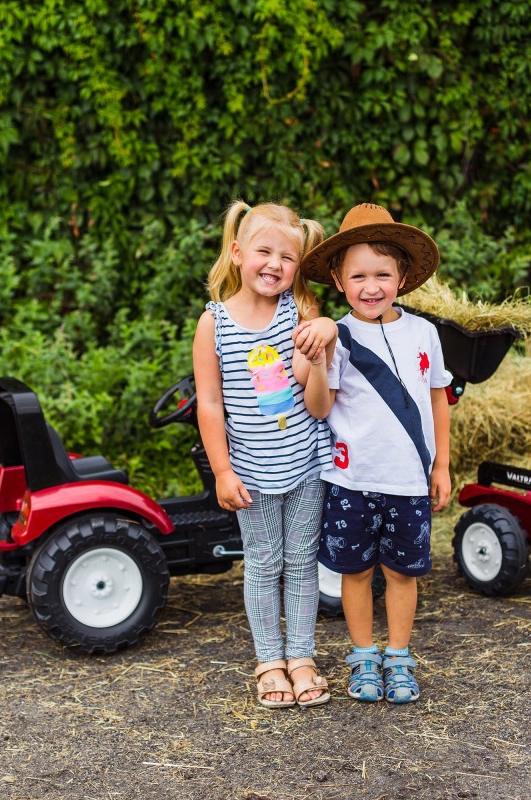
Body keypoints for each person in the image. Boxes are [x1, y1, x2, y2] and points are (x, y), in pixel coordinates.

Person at [297, 202, 452, 704]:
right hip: (352, 480)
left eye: (382, 274)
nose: (371, 287)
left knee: (403, 574)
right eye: (358, 276)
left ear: (402, 278)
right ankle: (364, 657)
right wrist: (317, 360)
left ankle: (399, 657)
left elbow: (438, 400)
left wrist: (442, 465)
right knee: (356, 572)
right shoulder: (335, 337)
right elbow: (320, 408)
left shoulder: (425, 333)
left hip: (409, 481)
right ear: (338, 281)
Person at [192, 200, 337, 709]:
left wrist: (325, 338)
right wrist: (222, 469)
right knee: (262, 562)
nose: (275, 264)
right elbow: (210, 403)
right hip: (251, 471)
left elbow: (317, 402)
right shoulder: (213, 323)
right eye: (264, 252)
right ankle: (269, 661)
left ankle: (301, 658)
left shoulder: (301, 314)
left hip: (305, 464)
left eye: (288, 257)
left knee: (300, 563)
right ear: (237, 253)